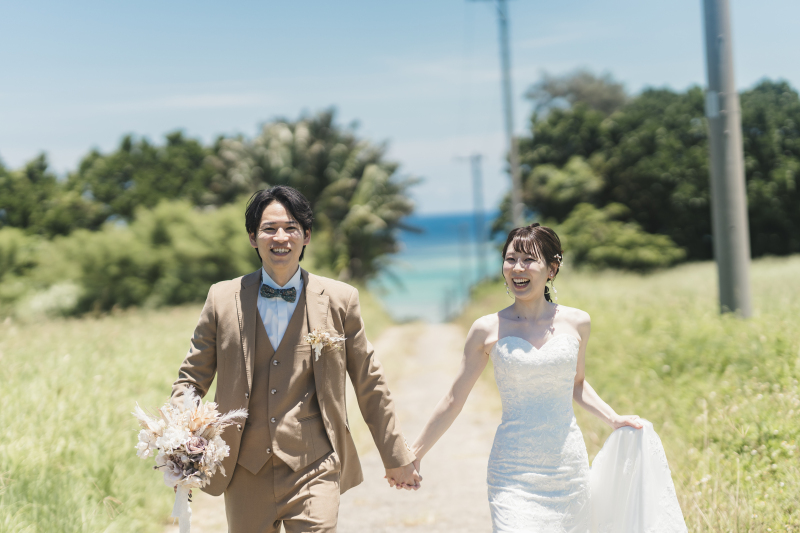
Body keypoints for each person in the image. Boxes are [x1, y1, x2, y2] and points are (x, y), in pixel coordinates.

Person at [170, 185, 420, 533]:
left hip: (314, 466)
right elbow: (190, 381)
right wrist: (179, 435)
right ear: (252, 238)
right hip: (244, 470)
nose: (280, 237)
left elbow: (369, 382)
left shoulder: (339, 299)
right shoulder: (222, 299)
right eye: (269, 228)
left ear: (306, 236)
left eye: (291, 228)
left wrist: (395, 457)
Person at [410, 223, 647, 532]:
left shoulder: (577, 322)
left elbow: (576, 384)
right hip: (512, 471)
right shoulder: (486, 328)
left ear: (552, 268)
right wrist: (414, 453)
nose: (517, 268)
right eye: (510, 259)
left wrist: (613, 419)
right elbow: (454, 399)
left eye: (528, 260)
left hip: (568, 470)